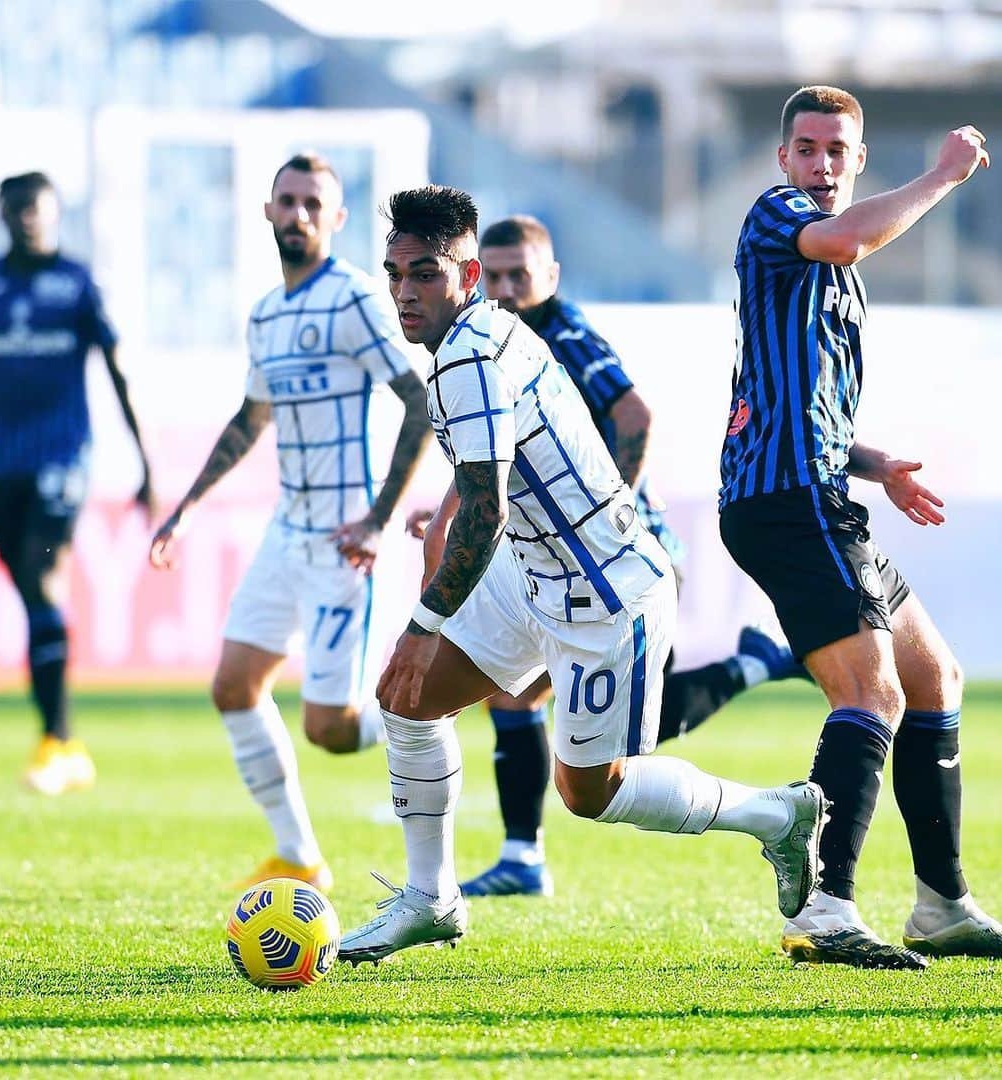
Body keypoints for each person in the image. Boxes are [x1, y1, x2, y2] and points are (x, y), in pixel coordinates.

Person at [338, 185, 824, 965]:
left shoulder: (468, 355)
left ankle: (777, 816)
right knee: (407, 698)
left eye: (424, 273)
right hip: (536, 574)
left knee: (588, 792)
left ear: (467, 278)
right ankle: (430, 899)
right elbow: (482, 487)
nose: (404, 292)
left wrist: (422, 626)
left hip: (606, 596)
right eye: (394, 273)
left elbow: (486, 509)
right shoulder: (488, 331)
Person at [719, 85, 1001, 968]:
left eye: (838, 151)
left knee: (933, 676)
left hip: (821, 488)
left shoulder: (839, 275)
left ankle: (942, 905)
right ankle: (827, 908)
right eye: (808, 148)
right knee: (871, 694)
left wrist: (872, 464)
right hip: (783, 498)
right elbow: (848, 235)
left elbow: (794, 400)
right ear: (784, 160)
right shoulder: (780, 217)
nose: (822, 164)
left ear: (858, 159)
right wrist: (946, 175)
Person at [149, 153, 431, 893]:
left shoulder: (356, 300)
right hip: (286, 531)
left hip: (345, 541)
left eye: (314, 203)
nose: (299, 214)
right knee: (234, 687)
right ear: (268, 212)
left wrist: (377, 518)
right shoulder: (266, 315)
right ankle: (299, 853)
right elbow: (253, 417)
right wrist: (187, 506)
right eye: (288, 201)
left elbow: (418, 401)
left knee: (331, 731)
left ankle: (442, 711)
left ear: (336, 219)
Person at [0, 171, 154, 795]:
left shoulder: (77, 285)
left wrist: (144, 462)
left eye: (39, 209)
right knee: (30, 594)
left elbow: (118, 371)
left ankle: (57, 739)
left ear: (54, 215)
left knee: (43, 580)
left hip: (64, 458)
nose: (30, 219)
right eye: (19, 209)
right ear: (2, 214)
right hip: (2, 464)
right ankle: (63, 740)